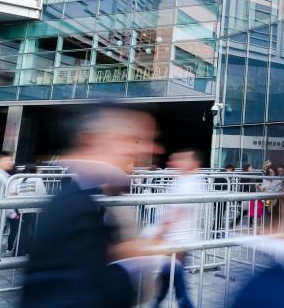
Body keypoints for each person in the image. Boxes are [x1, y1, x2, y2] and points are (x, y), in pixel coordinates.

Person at [21, 104, 162, 307]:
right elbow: (72, 295)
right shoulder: (73, 206)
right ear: (92, 139)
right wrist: (135, 263)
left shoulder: (95, 196)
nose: (143, 149)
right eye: (132, 139)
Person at [152, 149, 207, 308]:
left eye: (181, 159)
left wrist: (161, 233)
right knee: (168, 278)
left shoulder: (191, 183)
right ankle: (156, 302)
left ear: (193, 163)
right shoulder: (185, 180)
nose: (173, 163)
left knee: (175, 280)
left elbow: (178, 212)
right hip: (177, 238)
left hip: (178, 239)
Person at [13, 164, 47, 256]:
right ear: (34, 170)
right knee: (32, 232)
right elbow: (43, 194)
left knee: (23, 231)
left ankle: (18, 251)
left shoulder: (20, 179)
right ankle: (28, 251)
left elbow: (16, 193)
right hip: (34, 209)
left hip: (21, 209)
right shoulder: (37, 179)